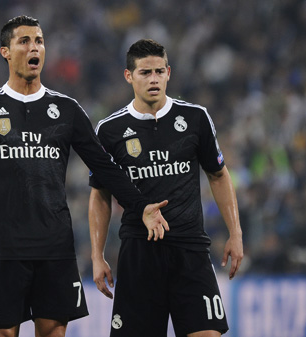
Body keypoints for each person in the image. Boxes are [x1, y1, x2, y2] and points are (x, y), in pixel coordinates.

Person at [0, 16, 168, 337]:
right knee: (1, 333)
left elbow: (105, 166)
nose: (34, 48)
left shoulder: (66, 109)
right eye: (24, 41)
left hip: (54, 246)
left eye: (39, 41)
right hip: (5, 247)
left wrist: (140, 206)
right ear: (5, 51)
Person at [88, 39, 244, 337]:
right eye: (145, 72)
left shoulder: (195, 117)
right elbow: (100, 194)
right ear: (128, 76)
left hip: (190, 250)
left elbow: (219, 175)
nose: (154, 79)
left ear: (169, 72)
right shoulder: (109, 130)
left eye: (159, 71)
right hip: (139, 253)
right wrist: (97, 255)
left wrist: (235, 233)